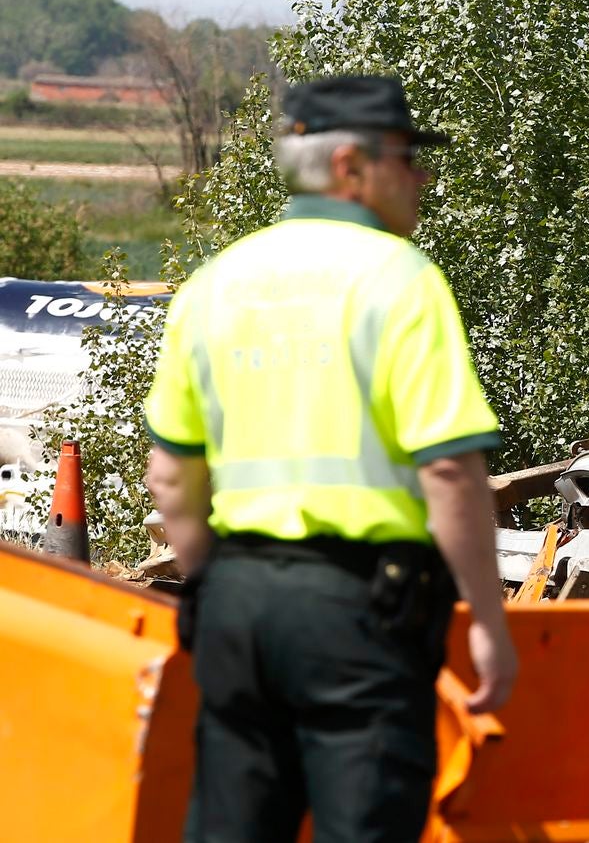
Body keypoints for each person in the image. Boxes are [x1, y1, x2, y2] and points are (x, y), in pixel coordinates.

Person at [144, 75, 517, 843]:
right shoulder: (400, 279)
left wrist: (217, 581)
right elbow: (448, 469)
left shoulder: (214, 284)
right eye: (407, 157)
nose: (421, 177)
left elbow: (172, 476)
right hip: (357, 618)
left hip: (236, 607)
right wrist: (486, 618)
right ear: (350, 164)